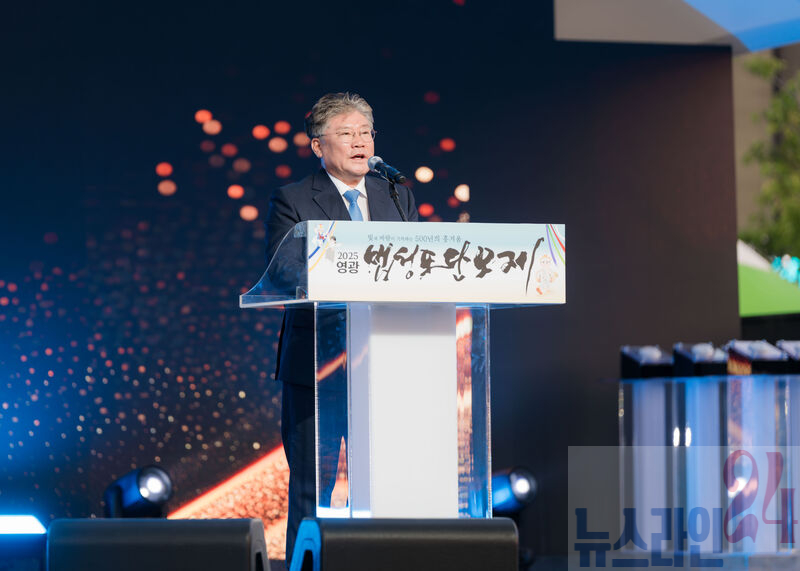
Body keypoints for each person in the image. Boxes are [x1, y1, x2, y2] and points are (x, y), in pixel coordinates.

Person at [264, 92, 419, 565]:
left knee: (388, 482)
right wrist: (354, 271)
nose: (359, 142)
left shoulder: (396, 195)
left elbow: (417, 266)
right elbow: (285, 270)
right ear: (318, 146)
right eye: (347, 133)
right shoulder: (293, 199)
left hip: (384, 364)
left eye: (365, 132)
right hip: (319, 367)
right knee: (314, 487)